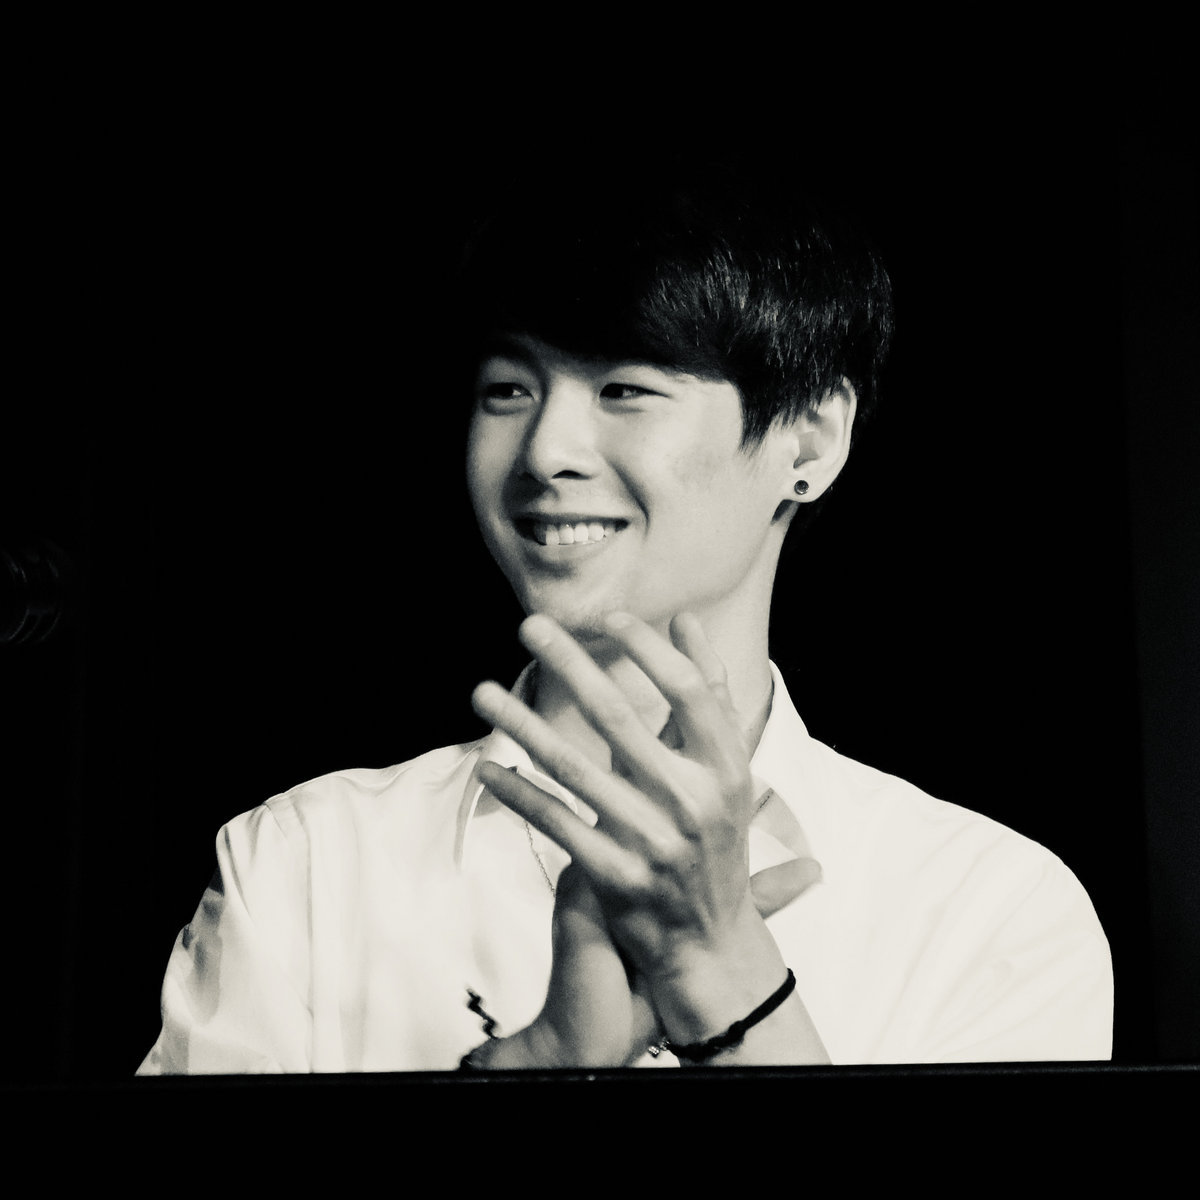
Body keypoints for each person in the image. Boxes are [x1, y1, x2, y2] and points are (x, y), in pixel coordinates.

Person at [138, 165, 1113, 1073]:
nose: (545, 451)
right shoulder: (306, 863)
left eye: (625, 390)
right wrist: (537, 1068)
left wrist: (723, 973)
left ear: (810, 440)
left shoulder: (990, 907)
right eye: (509, 390)